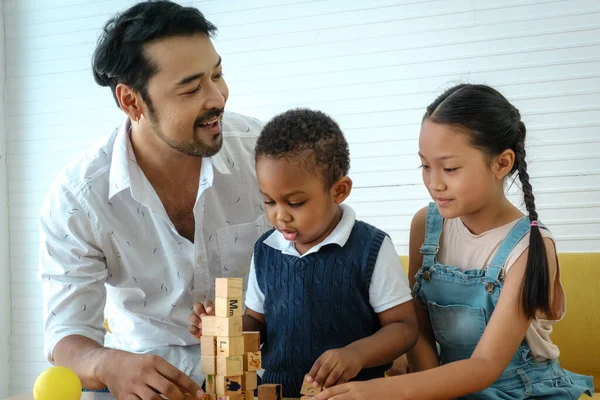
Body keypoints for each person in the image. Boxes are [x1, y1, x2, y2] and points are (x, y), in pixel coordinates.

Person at [38, 1, 270, 399]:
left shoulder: (265, 156)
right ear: (131, 101)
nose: (218, 98)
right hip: (140, 380)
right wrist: (107, 365)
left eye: (218, 75)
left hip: (258, 372)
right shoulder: (78, 199)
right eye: (192, 88)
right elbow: (66, 335)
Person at [315, 84, 595, 399]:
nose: (434, 183)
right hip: (445, 386)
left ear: (501, 164)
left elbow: (486, 365)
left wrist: (384, 391)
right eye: (425, 165)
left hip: (520, 390)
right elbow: (417, 329)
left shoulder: (531, 247)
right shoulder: (426, 225)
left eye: (449, 168)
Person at [190, 108, 418, 398]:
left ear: (339, 191)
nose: (280, 217)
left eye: (295, 203)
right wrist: (223, 329)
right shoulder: (266, 249)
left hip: (348, 393)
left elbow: (404, 328)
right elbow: (257, 323)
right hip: (276, 391)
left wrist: (355, 355)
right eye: (269, 201)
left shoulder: (370, 248)